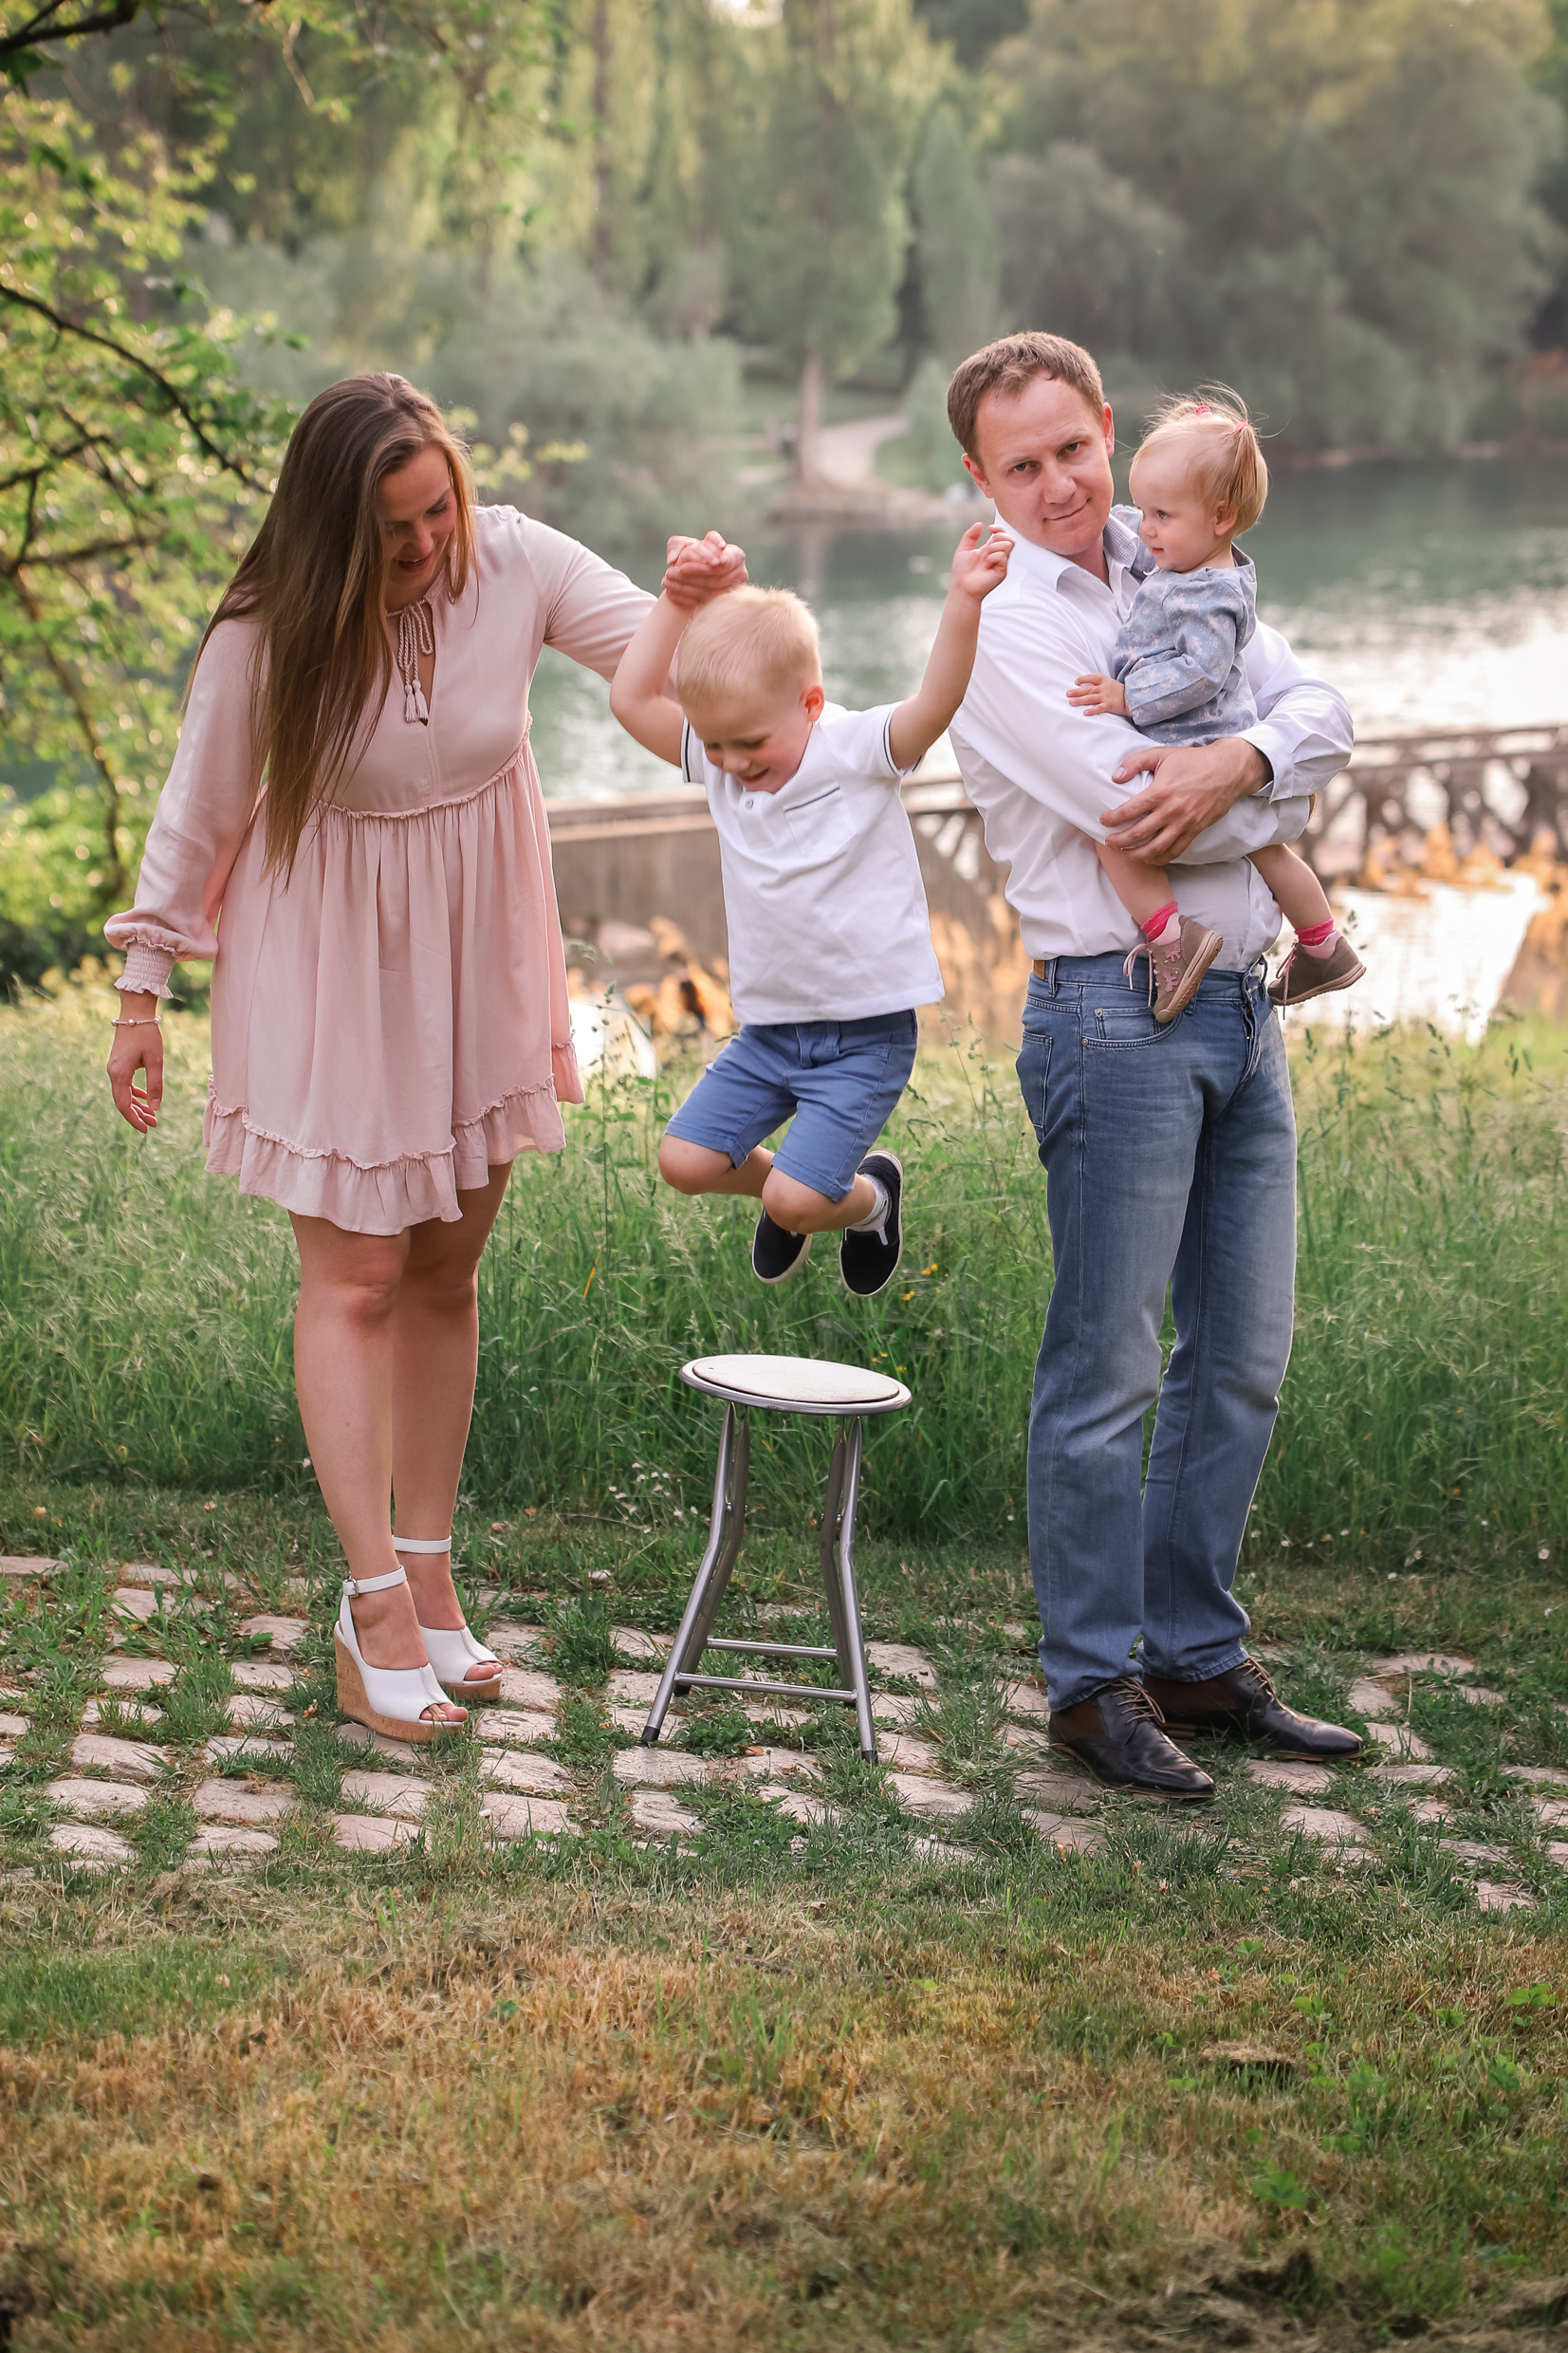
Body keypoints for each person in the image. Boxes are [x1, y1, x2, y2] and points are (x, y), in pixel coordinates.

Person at [104, 371, 743, 1745]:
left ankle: (435, 1578)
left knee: (447, 1269)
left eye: (436, 510)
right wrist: (142, 987)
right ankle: (370, 1601)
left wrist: (708, 607)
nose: (424, 545)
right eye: (394, 527)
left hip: (476, 945)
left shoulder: (510, 556)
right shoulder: (271, 627)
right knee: (356, 1277)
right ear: (336, 527)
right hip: (326, 959)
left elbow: (667, 661)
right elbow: (198, 806)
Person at [945, 331, 1361, 1798]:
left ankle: (1193, 1652)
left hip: (1244, 1004)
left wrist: (1242, 760)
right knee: (1107, 1364)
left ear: (1107, 430)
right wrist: (1249, 769)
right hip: (1112, 1009)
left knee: (1240, 1360)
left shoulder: (1176, 551)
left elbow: (1323, 717)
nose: (1059, 485)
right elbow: (1136, 813)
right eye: (1021, 465)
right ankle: (1090, 1682)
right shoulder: (1005, 621)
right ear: (980, 480)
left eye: (1072, 448)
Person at [609, 522, 1012, 1293]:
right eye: (714, 746)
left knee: (796, 1201)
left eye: (749, 742)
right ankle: (803, 1191)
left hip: (862, 1037)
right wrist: (675, 600)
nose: (729, 764)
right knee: (684, 1161)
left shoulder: (855, 751)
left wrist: (964, 598)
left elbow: (936, 699)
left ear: (811, 702)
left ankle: (869, 1200)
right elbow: (631, 699)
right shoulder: (725, 762)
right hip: (769, 1034)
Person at [1067, 389, 1365, 1019]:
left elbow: (1198, 675)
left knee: (1111, 834)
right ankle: (1321, 942)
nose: (1142, 529)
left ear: (1221, 517)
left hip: (1195, 734)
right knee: (1271, 851)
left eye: (1161, 516)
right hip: (1221, 737)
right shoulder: (1195, 568)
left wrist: (1127, 697)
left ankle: (1173, 941)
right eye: (1142, 510)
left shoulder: (1202, 593)